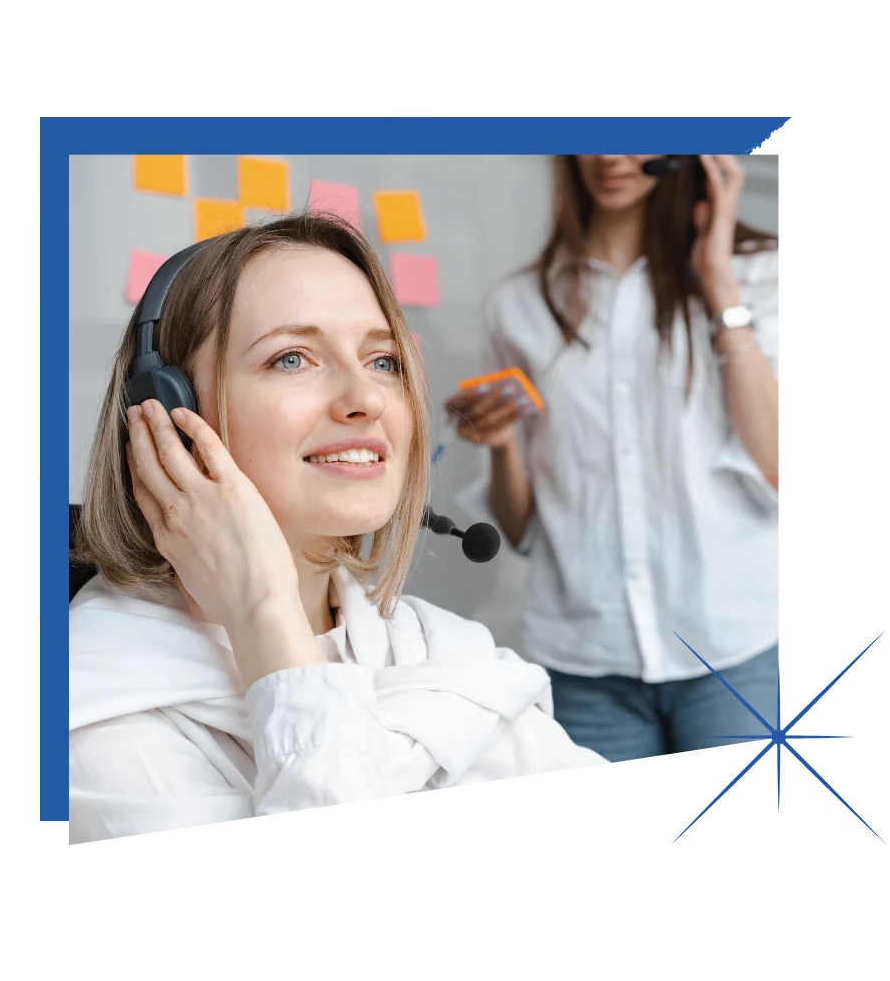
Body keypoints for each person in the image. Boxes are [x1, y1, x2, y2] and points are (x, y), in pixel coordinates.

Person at [68, 213, 608, 844]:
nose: (367, 398)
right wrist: (265, 616)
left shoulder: (447, 655)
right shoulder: (95, 708)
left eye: (383, 361)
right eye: (292, 358)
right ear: (169, 409)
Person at [445, 155, 784, 764]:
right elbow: (518, 526)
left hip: (729, 644)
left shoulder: (761, 275)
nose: (611, 155)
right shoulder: (517, 305)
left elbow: (777, 461)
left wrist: (717, 281)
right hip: (584, 658)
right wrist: (500, 446)